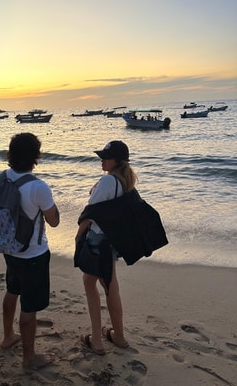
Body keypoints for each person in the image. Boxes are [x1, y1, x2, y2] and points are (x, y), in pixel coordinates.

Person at [0, 132, 60, 370]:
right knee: (29, 306)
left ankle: (8, 336)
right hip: (32, 253)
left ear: (10, 154)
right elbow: (54, 221)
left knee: (12, 289)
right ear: (35, 157)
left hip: (9, 248)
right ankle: (29, 358)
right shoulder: (37, 187)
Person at [75, 140, 137, 355]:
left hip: (98, 240)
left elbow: (90, 213)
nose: (102, 159)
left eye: (106, 157)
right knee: (110, 286)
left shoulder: (108, 182)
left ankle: (97, 341)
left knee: (93, 284)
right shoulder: (125, 181)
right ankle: (118, 336)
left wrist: (78, 236)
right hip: (111, 242)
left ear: (118, 161)